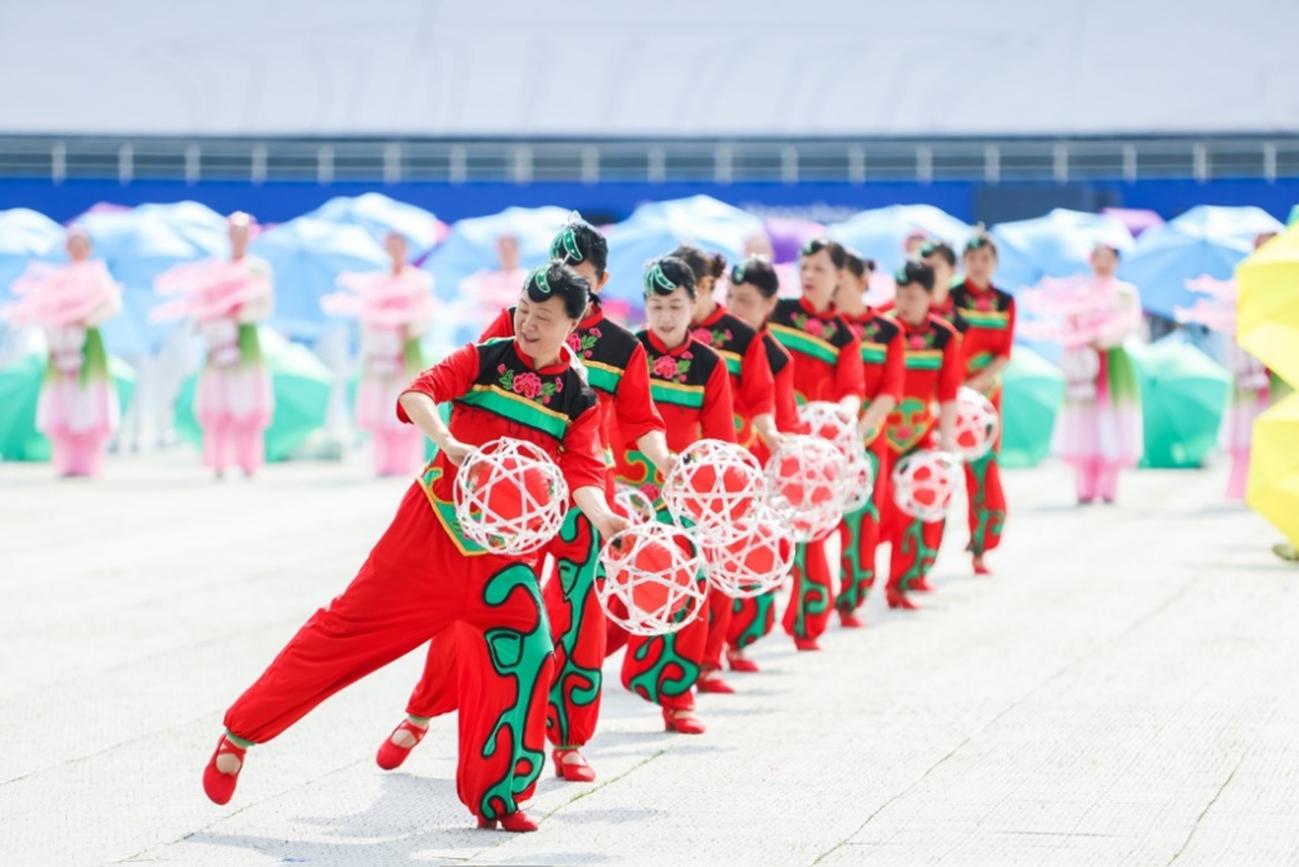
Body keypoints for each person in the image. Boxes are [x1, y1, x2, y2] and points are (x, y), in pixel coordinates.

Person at [202, 263, 627, 833]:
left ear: (572, 325)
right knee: (343, 633)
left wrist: (607, 520)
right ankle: (239, 735)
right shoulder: (485, 358)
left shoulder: (578, 397)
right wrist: (447, 439)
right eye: (524, 309)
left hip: (500, 558)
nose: (526, 323)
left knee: (529, 653)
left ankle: (499, 797)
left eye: (543, 318)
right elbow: (417, 392)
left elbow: (584, 474)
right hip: (429, 534)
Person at [376, 218, 671, 784]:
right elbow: (469, 378)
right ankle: (421, 711)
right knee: (474, 602)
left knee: (579, 611)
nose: (563, 282)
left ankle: (569, 741)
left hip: (585, 489)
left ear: (601, 281)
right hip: (515, 491)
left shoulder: (621, 347)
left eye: (578, 273)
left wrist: (667, 463)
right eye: (557, 269)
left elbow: (638, 419)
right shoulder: (520, 324)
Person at [609, 256, 736, 734]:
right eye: (657, 305)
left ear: (695, 303)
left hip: (680, 497)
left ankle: (678, 697)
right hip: (621, 493)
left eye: (676, 305)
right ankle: (564, 681)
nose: (666, 316)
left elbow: (720, 442)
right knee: (605, 592)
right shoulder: (624, 352)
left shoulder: (708, 365)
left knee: (688, 588)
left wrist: (712, 495)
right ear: (644, 305)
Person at [676, 243, 778, 693]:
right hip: (672, 468)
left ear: (703, 286)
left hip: (725, 471)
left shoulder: (740, 337)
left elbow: (760, 399)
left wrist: (772, 437)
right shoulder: (661, 333)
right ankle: (669, 659)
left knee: (717, 565)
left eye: (680, 287)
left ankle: (709, 659)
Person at [765, 238, 866, 650]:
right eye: (805, 267)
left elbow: (852, 390)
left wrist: (842, 414)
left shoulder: (844, 336)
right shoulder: (777, 313)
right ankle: (739, 633)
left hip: (808, 452)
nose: (808, 276)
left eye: (819, 269)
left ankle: (807, 624)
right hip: (767, 435)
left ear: (839, 277)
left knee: (812, 534)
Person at [721, 256, 802, 671]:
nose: (734, 307)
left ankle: (738, 642)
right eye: (730, 297)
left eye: (746, 300)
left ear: (770, 305)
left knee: (752, 554)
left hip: (754, 469)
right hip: (710, 470)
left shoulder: (776, 356)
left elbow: (785, 419)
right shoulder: (707, 340)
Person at [154, 212, 275, 479]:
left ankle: (248, 461)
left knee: (247, 402)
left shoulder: (258, 268)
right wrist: (213, 320)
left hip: (245, 339)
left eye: (243, 233)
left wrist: (239, 313)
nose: (238, 238)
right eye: (234, 232)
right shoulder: (214, 270)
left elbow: (265, 306)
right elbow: (201, 303)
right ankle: (219, 461)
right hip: (218, 341)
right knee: (218, 402)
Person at [3, 228, 122, 476]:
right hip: (61, 342)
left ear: (88, 249)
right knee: (64, 401)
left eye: (81, 245)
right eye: (72, 245)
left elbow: (111, 305)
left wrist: (85, 318)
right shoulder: (58, 279)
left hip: (86, 342)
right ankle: (66, 461)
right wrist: (54, 336)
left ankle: (88, 461)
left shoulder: (97, 275)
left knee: (86, 401)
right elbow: (45, 310)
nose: (77, 250)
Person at [878, 262, 961, 609]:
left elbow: (948, 393)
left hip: (919, 435)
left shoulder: (944, 337)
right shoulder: (881, 328)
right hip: (882, 433)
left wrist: (948, 444)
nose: (904, 303)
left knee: (917, 508)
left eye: (912, 296)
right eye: (899, 295)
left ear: (931, 296)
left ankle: (901, 581)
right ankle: (858, 579)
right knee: (878, 510)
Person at [323, 232, 436, 476]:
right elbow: (366, 315)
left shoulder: (418, 281)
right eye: (390, 246)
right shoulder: (376, 282)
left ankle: (406, 462)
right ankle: (383, 460)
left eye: (399, 246)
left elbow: (426, 314)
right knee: (381, 406)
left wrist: (409, 329)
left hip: (406, 351)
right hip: (380, 351)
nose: (395, 251)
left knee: (406, 403)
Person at [832, 250, 904, 623]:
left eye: (841, 279)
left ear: (862, 282)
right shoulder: (823, 327)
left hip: (865, 437)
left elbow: (891, 391)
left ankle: (851, 595)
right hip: (818, 436)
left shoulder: (888, 331)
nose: (834, 286)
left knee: (860, 516)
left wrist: (854, 433)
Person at [1048, 244, 1143, 504]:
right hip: (1083, 362)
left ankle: (1109, 485)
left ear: (1117, 261)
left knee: (1112, 417)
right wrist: (1079, 339)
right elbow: (1067, 323)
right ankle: (1085, 485)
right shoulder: (1079, 293)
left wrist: (1102, 339)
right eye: (1098, 257)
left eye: (1109, 257)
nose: (1103, 262)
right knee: (1084, 420)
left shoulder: (1125, 293)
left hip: (1112, 361)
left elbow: (1130, 323)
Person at [949, 234, 1015, 575]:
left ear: (994, 263)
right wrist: (954, 385)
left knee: (983, 467)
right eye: (972, 258)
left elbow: (1005, 354)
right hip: (948, 394)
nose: (979, 264)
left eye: (985, 258)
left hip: (986, 397)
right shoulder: (952, 296)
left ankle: (981, 542)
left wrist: (977, 384)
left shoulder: (1005, 301)